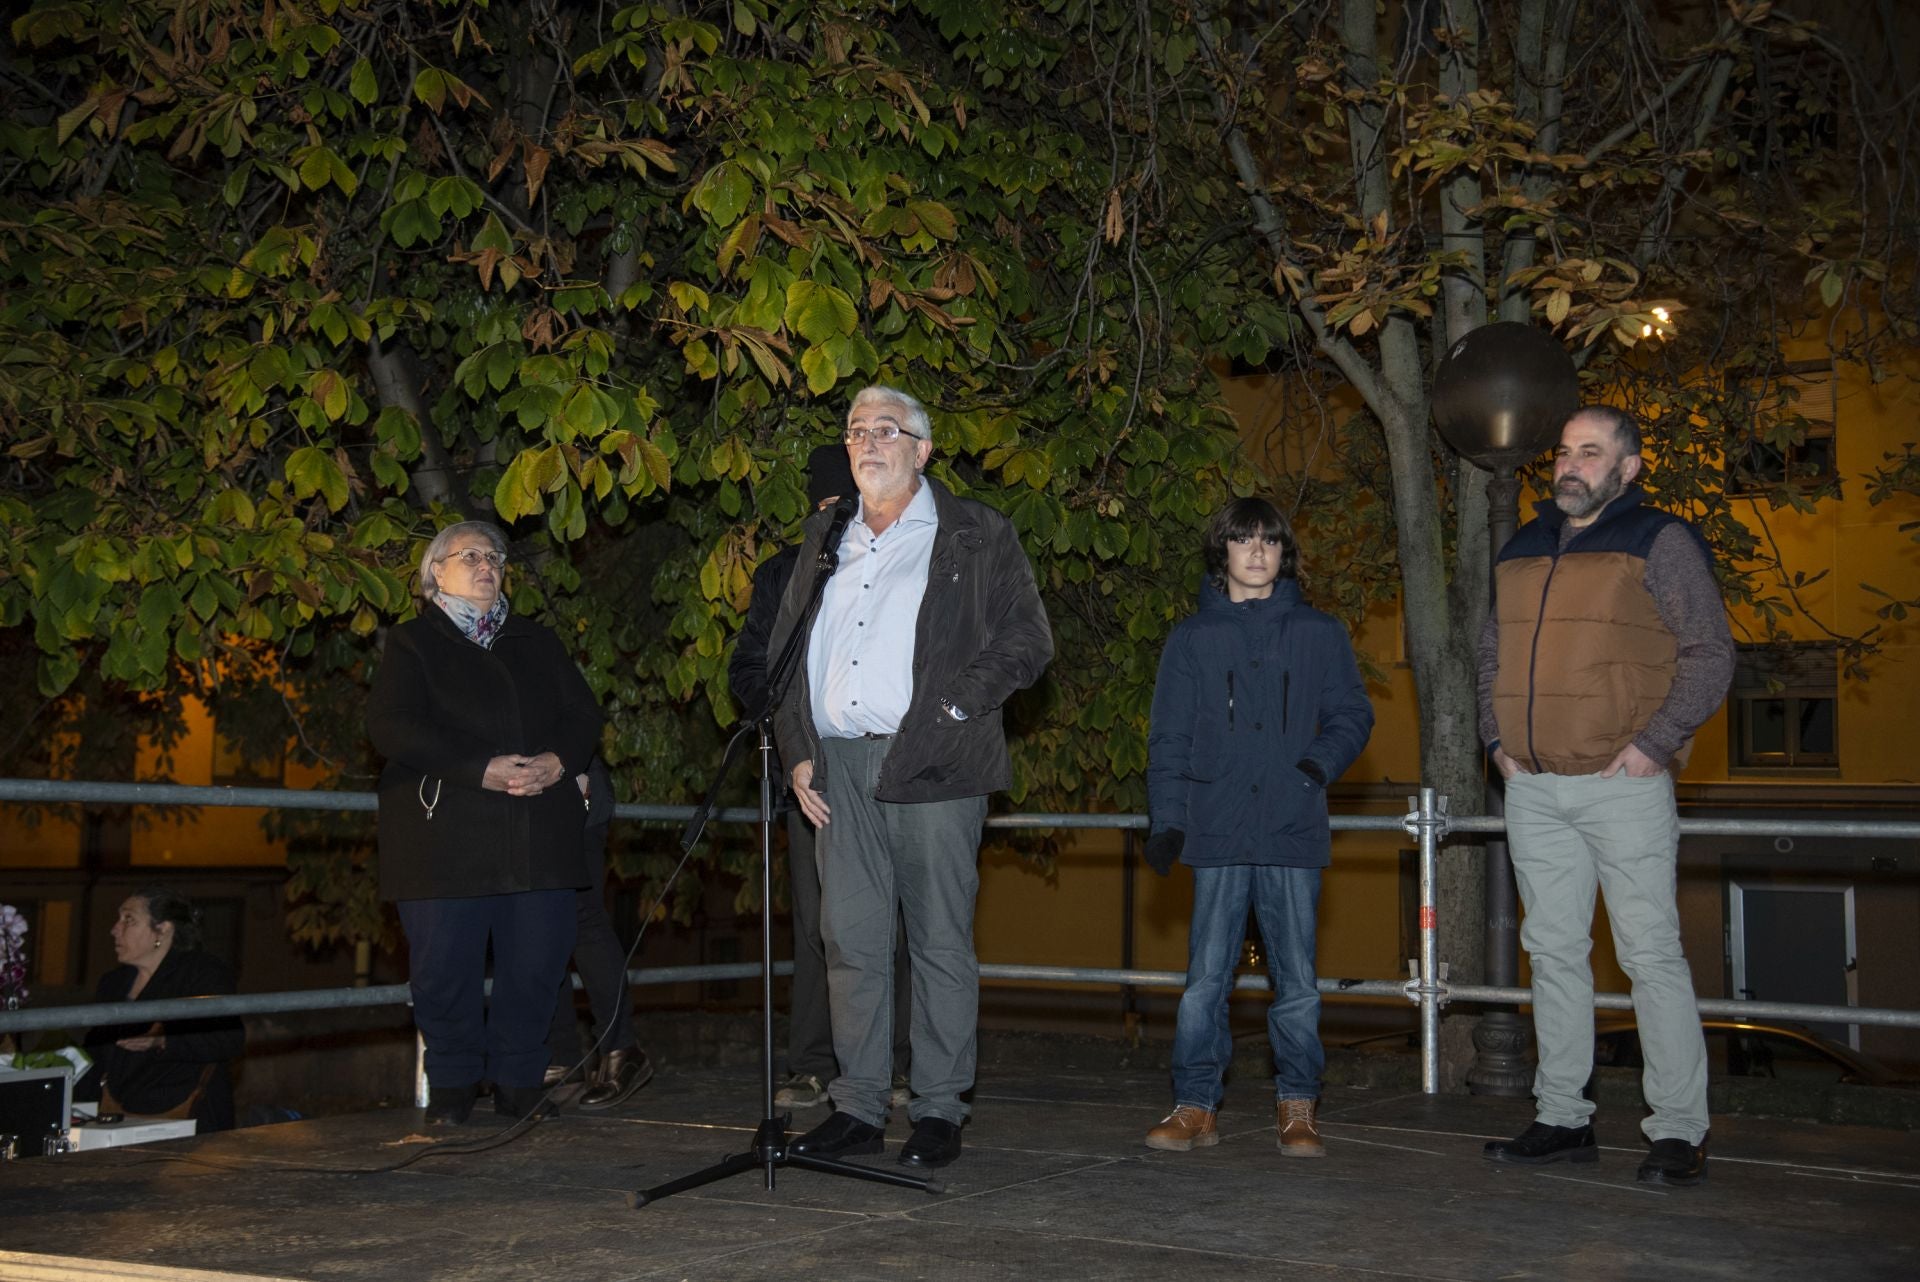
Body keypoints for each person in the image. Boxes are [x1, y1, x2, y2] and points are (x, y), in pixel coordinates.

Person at [773, 385, 1053, 1170]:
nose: (867, 441)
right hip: (836, 766)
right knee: (850, 940)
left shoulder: (973, 531)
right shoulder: (827, 534)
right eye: (857, 429)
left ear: (922, 450)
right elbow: (787, 652)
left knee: (935, 940)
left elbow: (1029, 640)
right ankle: (857, 1106)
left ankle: (937, 1110)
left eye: (886, 430)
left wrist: (957, 707)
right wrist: (798, 747)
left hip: (935, 758)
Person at [1479, 406, 1733, 1186]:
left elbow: (1710, 652)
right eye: (1563, 451)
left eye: (1590, 452)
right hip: (1534, 788)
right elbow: (1490, 652)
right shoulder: (1521, 547)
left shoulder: (1660, 539)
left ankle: (1680, 1131)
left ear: (1628, 468)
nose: (1570, 465)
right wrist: (1498, 746)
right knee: (1553, 955)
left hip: (1621, 787)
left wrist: (1653, 745)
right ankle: (1563, 1116)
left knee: (1649, 956)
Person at [1140, 498, 1374, 1158]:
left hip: (1292, 829)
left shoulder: (1319, 633)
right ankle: (1194, 1107)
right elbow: (1170, 737)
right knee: (1204, 982)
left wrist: (1311, 768)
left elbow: (1353, 716)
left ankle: (1298, 1107)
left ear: (1282, 553)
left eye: (1269, 540)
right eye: (1243, 539)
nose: (1257, 550)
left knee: (1296, 983)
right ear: (1224, 551)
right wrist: (1169, 821)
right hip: (1216, 829)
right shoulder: (1192, 639)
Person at [368, 519, 604, 1124]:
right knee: (445, 968)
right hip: (446, 834)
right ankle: (451, 1085)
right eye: (467, 554)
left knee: (537, 962)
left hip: (537, 829)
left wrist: (558, 761)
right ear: (434, 575)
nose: (485, 564)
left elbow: (583, 715)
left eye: (494, 556)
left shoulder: (535, 641)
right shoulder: (412, 643)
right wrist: (480, 768)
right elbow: (391, 726)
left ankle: (520, 1081)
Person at [729, 443, 911, 1113]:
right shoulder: (785, 573)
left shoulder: (902, 563)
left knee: (891, 921)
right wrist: (785, 723)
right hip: (808, 777)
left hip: (890, 769)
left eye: (849, 504)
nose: (837, 516)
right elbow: (749, 668)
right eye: (827, 505)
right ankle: (813, 1063)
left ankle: (892, 1063)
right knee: (819, 924)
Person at [78, 888, 244, 1131]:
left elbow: (228, 1039)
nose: (115, 929)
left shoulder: (202, 974)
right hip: (117, 1119)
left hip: (187, 1121)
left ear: (163, 929)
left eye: (129, 920)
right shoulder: (112, 983)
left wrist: (163, 1040)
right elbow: (96, 1055)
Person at [543, 756, 652, 1110]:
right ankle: (563, 1058)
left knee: (582, 917)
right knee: (543, 924)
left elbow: (575, 710)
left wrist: (573, 771)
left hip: (567, 784)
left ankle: (622, 1049)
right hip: (525, 799)